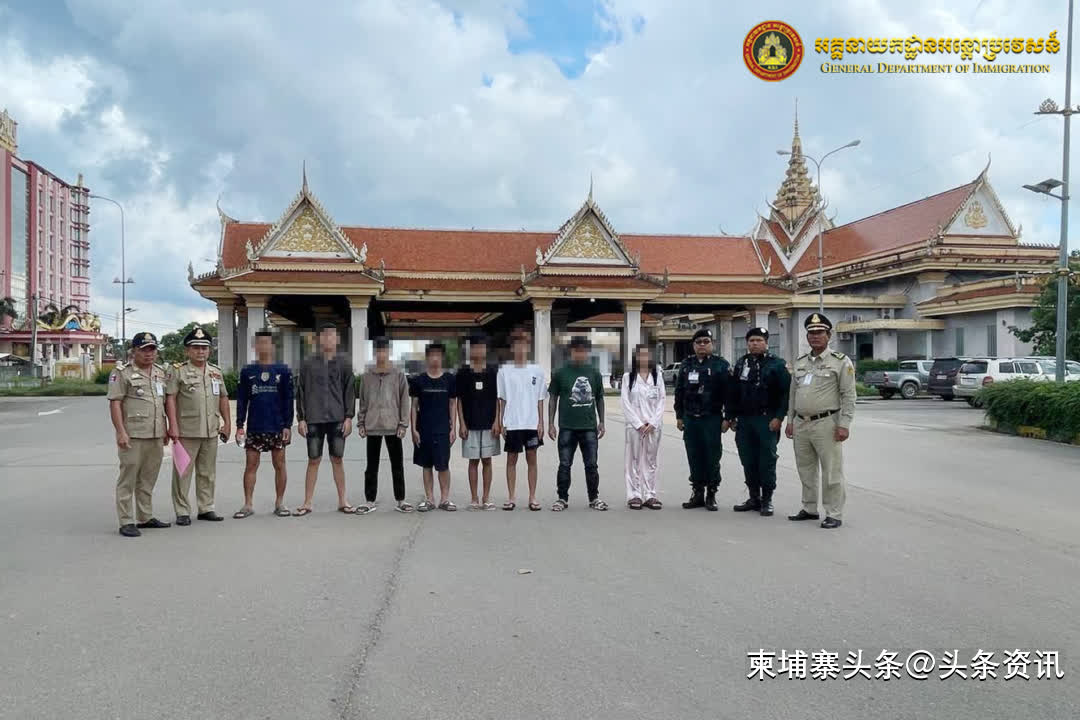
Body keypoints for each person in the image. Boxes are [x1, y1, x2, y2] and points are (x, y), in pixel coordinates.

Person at [785, 313, 856, 529]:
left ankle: (834, 513)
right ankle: (809, 508)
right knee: (805, 469)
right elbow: (793, 394)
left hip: (826, 423)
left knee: (831, 471)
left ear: (829, 335)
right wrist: (790, 420)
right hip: (801, 423)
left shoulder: (840, 362)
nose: (815, 336)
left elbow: (849, 395)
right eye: (811, 333)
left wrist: (844, 424)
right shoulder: (800, 362)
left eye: (819, 332)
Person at [107, 331, 171, 537]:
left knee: (148, 478)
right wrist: (120, 432)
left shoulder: (160, 372)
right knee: (128, 478)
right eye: (144, 350)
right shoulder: (122, 373)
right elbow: (115, 403)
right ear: (134, 351)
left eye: (152, 349)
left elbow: (162, 403)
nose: (149, 353)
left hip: (156, 434)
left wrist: (166, 428)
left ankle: (145, 517)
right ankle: (126, 520)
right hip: (133, 434)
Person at [164, 325, 230, 525]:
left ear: (209, 350)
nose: (201, 351)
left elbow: (223, 398)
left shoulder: (215, 372)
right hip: (186, 431)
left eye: (204, 347)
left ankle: (206, 507)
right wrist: (172, 425)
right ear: (187, 350)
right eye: (196, 347)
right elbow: (170, 398)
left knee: (207, 472)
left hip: (210, 430)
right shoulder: (178, 371)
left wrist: (227, 423)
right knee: (182, 472)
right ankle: (182, 511)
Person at [729, 327, 791, 517]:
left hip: (766, 419)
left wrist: (779, 417)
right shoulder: (741, 363)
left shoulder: (777, 365)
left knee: (767, 460)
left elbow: (785, 394)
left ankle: (767, 499)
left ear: (766, 343)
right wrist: (731, 416)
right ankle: (753, 497)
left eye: (758, 340)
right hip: (744, 420)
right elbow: (733, 392)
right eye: (751, 341)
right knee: (748, 459)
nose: (754, 344)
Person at [295, 323, 356, 515]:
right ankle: (307, 502)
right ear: (319, 339)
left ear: (336, 339)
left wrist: (348, 417)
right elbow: (300, 391)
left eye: (332, 335)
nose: (328, 339)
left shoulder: (344, 363)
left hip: (337, 418)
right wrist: (301, 418)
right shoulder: (307, 363)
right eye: (325, 335)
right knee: (313, 459)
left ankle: (343, 500)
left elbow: (350, 391)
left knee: (337, 458)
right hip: (314, 418)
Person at [234, 330, 294, 519]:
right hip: (255, 426)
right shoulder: (247, 371)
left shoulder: (283, 370)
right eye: (260, 343)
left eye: (267, 343)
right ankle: (248, 504)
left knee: (280, 464)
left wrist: (288, 425)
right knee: (251, 465)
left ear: (273, 346)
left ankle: (280, 503)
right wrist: (240, 425)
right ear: (255, 346)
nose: (263, 347)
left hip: (277, 426)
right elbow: (242, 400)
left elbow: (288, 399)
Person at [673, 328, 732, 511]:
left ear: (712, 344)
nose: (702, 345)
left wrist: (728, 418)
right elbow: (679, 391)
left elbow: (729, 394)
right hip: (691, 418)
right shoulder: (686, 364)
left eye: (706, 342)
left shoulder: (721, 365)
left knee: (712, 456)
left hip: (711, 418)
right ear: (693, 345)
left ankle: (711, 493)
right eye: (698, 342)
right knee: (694, 455)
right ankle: (697, 492)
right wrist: (679, 415)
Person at [547, 336, 608, 511]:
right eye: (576, 351)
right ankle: (562, 498)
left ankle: (594, 498)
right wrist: (551, 423)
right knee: (565, 464)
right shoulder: (560, 373)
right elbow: (553, 398)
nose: (579, 354)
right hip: (567, 426)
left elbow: (600, 398)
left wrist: (602, 421)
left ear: (587, 352)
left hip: (589, 427)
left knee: (591, 465)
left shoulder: (594, 373)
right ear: (571, 351)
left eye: (583, 351)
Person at [356, 336, 412, 514]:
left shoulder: (398, 374)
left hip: (393, 426)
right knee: (371, 466)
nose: (381, 354)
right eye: (378, 350)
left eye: (384, 350)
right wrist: (361, 423)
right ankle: (369, 500)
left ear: (389, 352)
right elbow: (363, 400)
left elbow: (404, 400)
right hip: (372, 426)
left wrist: (403, 424)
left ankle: (401, 500)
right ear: (374, 352)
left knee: (397, 465)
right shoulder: (367, 376)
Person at [495, 326, 546, 511]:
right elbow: (501, 399)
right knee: (511, 460)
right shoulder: (504, 371)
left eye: (523, 344)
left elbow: (540, 399)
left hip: (531, 423)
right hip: (512, 423)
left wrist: (541, 422)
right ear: (512, 347)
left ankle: (532, 497)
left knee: (532, 460)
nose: (520, 348)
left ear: (528, 346)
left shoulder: (537, 370)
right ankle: (511, 497)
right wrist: (500, 422)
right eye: (517, 344)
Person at [410, 342, 457, 511]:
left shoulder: (449, 379)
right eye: (432, 355)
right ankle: (429, 499)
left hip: (443, 429)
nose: (435, 358)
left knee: (443, 465)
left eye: (438, 355)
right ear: (427, 358)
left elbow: (452, 404)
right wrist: (413, 429)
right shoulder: (419, 380)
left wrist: (453, 428)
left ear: (442, 357)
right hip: (424, 429)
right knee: (426, 465)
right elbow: (414, 406)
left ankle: (445, 499)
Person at [456, 333, 501, 510]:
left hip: (489, 424)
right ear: (470, 350)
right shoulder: (463, 373)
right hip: (470, 424)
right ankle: (474, 498)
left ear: (485, 350)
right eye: (474, 347)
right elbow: (459, 400)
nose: (478, 350)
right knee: (473, 461)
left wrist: (497, 421)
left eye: (481, 347)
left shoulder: (493, 372)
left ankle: (486, 498)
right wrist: (462, 423)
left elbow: (497, 399)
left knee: (487, 461)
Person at [621, 343, 665, 510]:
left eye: (647, 355)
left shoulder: (657, 377)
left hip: (653, 426)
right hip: (634, 427)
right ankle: (634, 495)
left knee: (650, 461)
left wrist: (653, 422)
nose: (644, 358)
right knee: (633, 460)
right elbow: (625, 402)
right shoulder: (628, 378)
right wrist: (638, 424)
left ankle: (650, 494)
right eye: (641, 355)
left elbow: (661, 401)